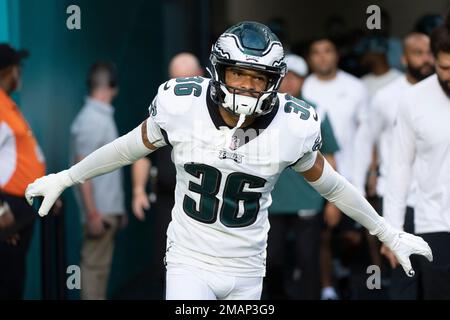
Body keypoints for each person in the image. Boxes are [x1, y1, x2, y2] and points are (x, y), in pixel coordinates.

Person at [26, 21, 432, 300]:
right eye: (239, 74)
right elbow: (127, 148)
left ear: (274, 82)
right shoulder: (182, 106)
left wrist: (388, 233)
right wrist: (67, 177)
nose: (248, 86)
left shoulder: (292, 125)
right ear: (219, 71)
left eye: (258, 78)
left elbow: (334, 187)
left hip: (248, 266)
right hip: (191, 261)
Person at [353, 32, 435, 299]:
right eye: (418, 53)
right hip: (399, 197)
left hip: (436, 200)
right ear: (403, 58)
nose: (426, 59)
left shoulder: (442, 93)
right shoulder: (387, 97)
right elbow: (365, 141)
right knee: (404, 272)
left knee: (437, 274)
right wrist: (358, 187)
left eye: (429, 53)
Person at [383, 16, 450, 299]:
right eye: (445, 67)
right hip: (434, 222)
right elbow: (399, 165)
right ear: (433, 60)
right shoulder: (413, 99)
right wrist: (393, 232)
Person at [266, 53, 340, 300]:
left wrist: (332, 201)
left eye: (295, 77)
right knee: (270, 260)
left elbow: (329, 159)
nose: (288, 82)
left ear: (303, 80)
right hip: (269, 201)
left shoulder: (316, 111)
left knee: (308, 260)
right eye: (284, 76)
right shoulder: (261, 111)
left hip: (308, 200)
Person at [131, 52, 203, 298]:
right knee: (168, 265)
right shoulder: (161, 110)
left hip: (207, 201)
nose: (181, 87)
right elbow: (141, 152)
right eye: (176, 81)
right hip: (168, 201)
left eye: (187, 80)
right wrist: (139, 190)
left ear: (201, 77)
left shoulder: (218, 111)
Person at [70, 61, 126, 300]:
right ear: (112, 86)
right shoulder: (92, 119)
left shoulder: (98, 117)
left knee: (99, 271)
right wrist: (93, 214)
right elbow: (81, 170)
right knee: (94, 271)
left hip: (105, 212)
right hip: (99, 214)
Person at [0, 44, 46, 298]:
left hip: (19, 206)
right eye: (18, 67)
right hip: (6, 208)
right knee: (8, 282)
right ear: (7, 70)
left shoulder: (6, 103)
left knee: (14, 278)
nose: (20, 73)